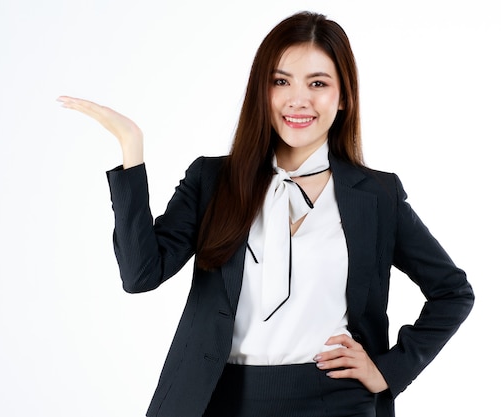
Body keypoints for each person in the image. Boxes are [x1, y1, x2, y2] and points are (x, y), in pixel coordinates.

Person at [58, 11, 474, 417]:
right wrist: (131, 149)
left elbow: (452, 292)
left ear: (343, 96)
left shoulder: (376, 194)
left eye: (318, 83)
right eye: (281, 81)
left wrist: (390, 370)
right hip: (217, 398)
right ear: (263, 90)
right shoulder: (213, 179)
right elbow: (140, 274)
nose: (299, 99)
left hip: (336, 401)